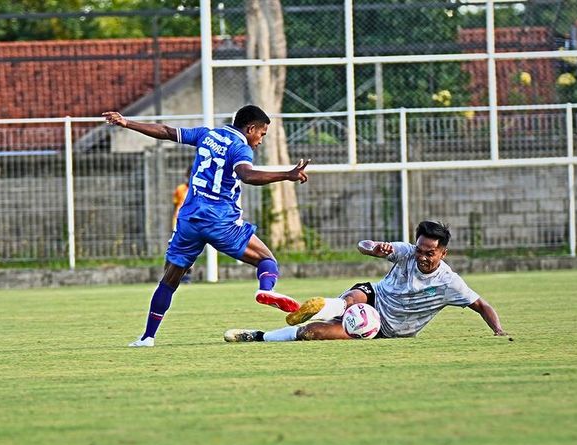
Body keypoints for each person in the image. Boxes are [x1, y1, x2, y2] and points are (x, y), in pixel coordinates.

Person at [103, 105, 311, 347]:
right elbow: (247, 175)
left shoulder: (207, 135)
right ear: (250, 128)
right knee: (267, 260)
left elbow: (166, 131)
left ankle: (147, 337)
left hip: (189, 219)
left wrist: (126, 123)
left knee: (169, 280)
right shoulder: (240, 147)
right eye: (262, 134)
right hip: (220, 222)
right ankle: (265, 288)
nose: (260, 140)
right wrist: (286, 175)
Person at [224, 220, 507, 343]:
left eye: (429, 253)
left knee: (314, 333)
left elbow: (481, 305)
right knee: (353, 297)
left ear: (444, 252)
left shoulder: (449, 283)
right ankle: (320, 306)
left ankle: (262, 334)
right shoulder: (407, 252)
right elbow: (362, 245)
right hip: (374, 297)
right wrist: (374, 247)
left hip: (385, 327)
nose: (421, 256)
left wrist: (498, 330)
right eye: (419, 249)